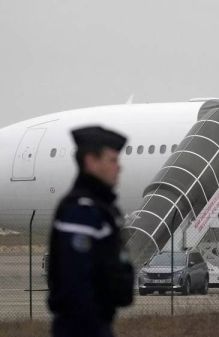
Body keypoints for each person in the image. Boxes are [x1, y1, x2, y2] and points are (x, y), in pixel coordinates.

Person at [47, 126, 134, 337]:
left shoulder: (102, 208)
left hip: (96, 323)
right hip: (82, 327)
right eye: (112, 160)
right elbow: (75, 281)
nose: (119, 168)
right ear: (90, 161)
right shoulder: (81, 211)